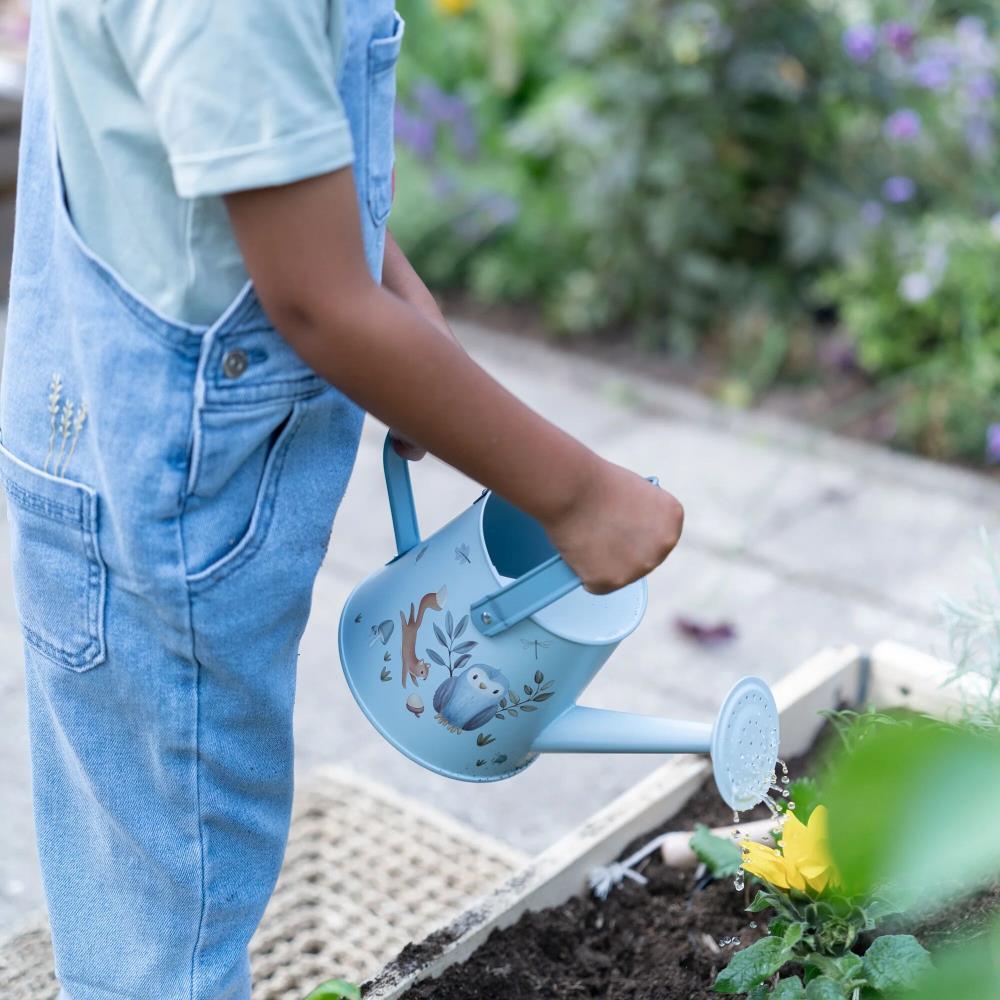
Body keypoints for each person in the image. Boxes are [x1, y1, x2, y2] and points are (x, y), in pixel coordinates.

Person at [0, 2, 684, 996]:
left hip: (97, 447)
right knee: (175, 921)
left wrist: (389, 287)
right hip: (167, 507)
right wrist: (575, 495)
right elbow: (316, 299)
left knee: (140, 867)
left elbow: (245, 159)